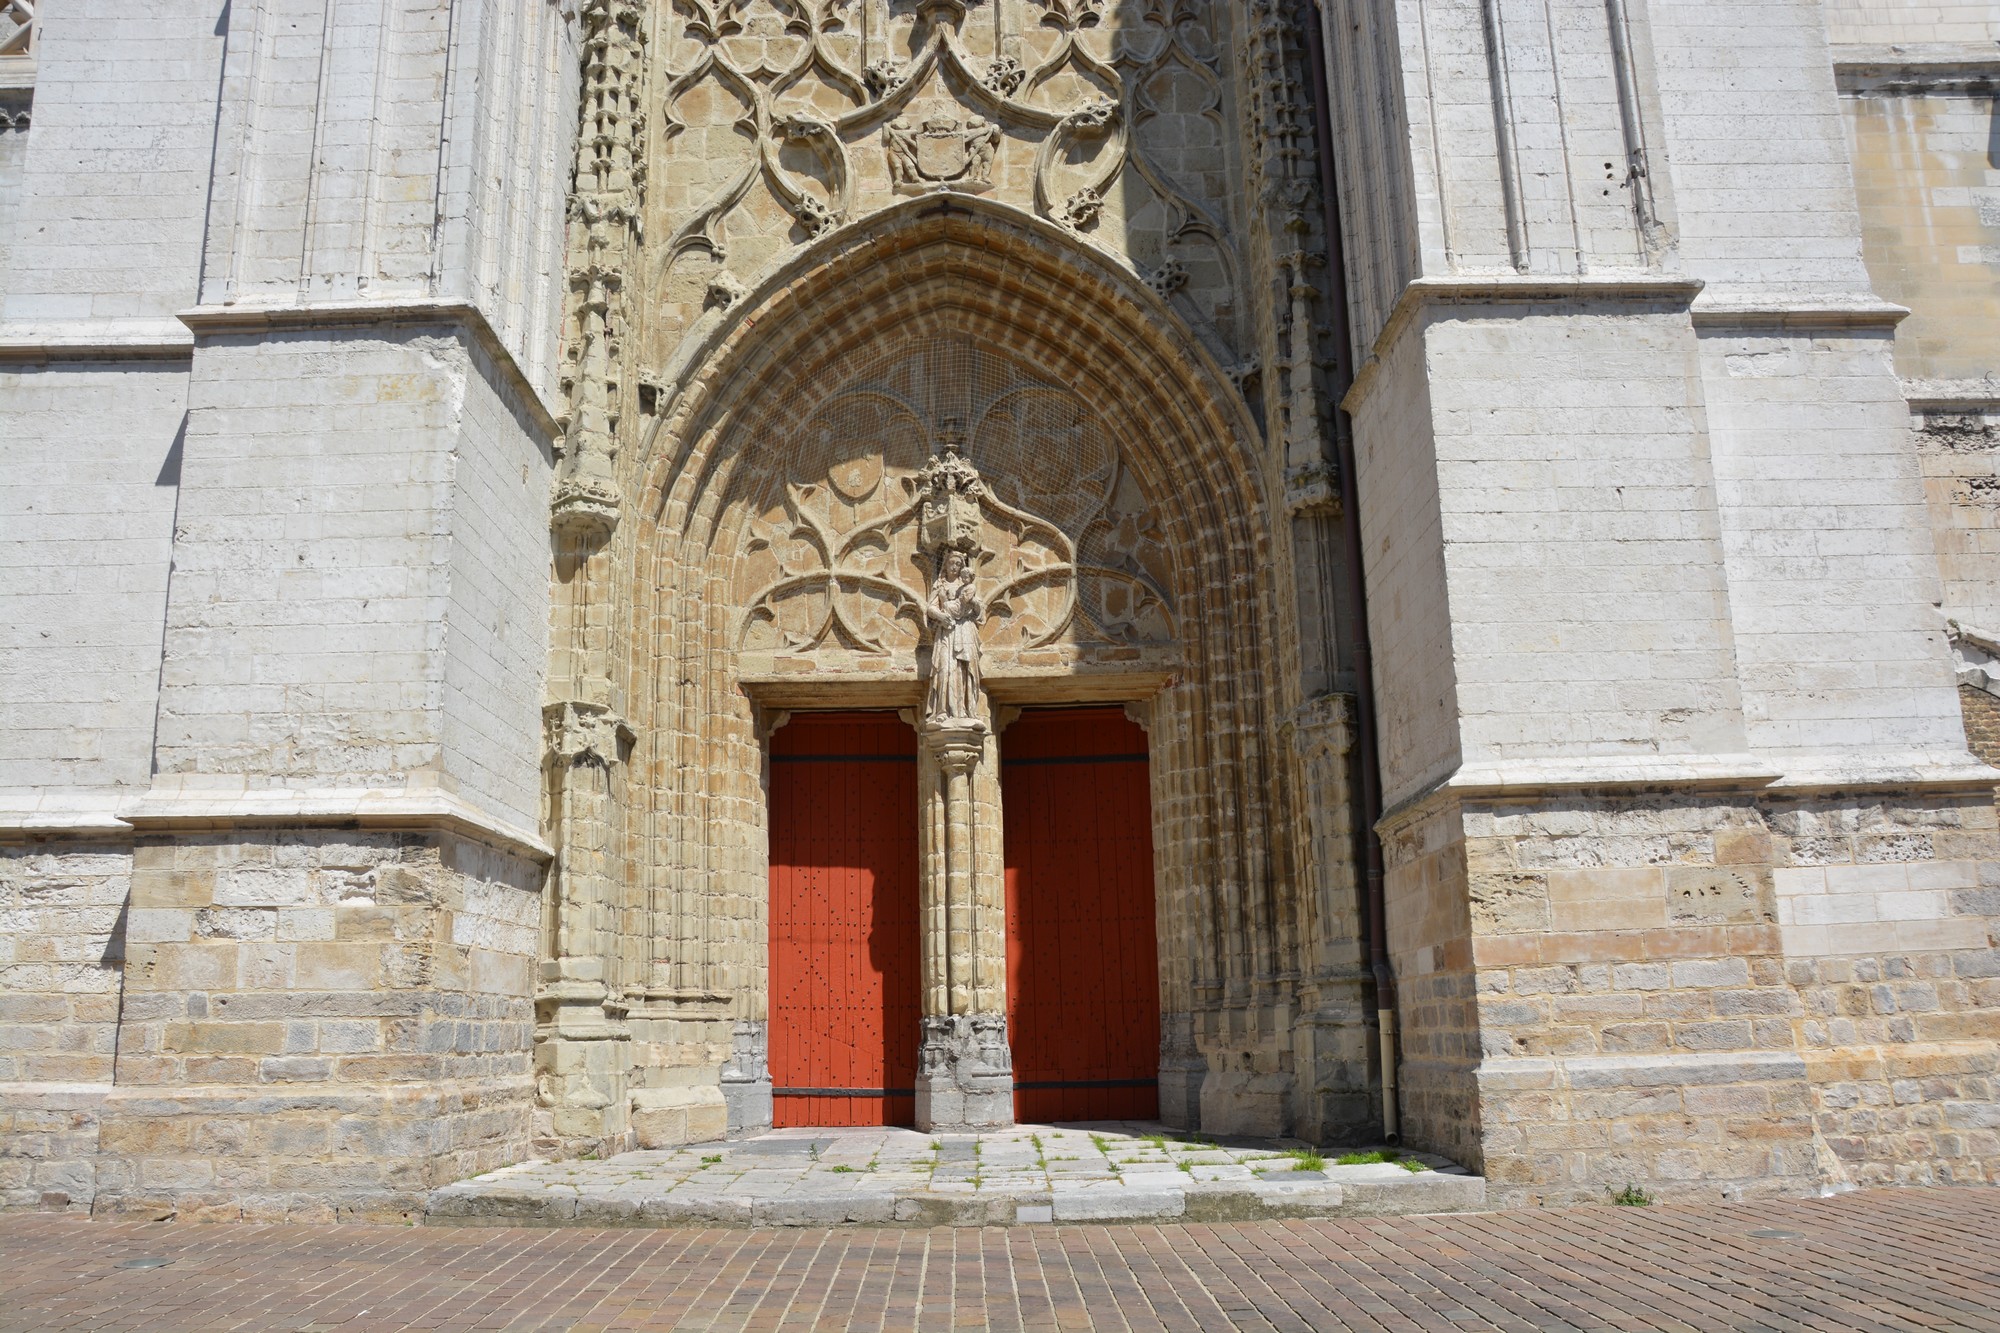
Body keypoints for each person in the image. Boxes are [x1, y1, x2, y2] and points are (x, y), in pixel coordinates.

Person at [925, 547, 984, 725]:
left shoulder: (967, 586)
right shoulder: (940, 585)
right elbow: (930, 607)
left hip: (965, 630)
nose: (955, 567)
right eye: (951, 563)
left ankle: (966, 710)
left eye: (958, 564)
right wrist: (941, 616)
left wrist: (973, 603)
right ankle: (942, 710)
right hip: (946, 632)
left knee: (965, 669)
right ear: (946, 564)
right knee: (945, 669)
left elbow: (979, 610)